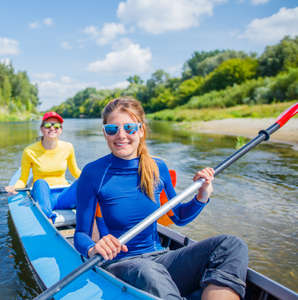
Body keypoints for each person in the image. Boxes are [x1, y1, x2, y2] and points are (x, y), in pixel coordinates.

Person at [74, 97, 248, 300]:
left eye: (129, 128)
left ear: (141, 130)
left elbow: (179, 217)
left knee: (231, 245)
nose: (121, 135)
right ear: (105, 133)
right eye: (112, 129)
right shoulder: (93, 172)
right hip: (121, 264)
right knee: (148, 272)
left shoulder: (158, 167)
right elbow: (80, 235)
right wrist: (93, 247)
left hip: (161, 259)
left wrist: (202, 196)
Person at [6, 111, 81, 223]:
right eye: (47, 125)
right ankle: (48, 220)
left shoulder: (68, 147)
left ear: (60, 130)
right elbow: (23, 179)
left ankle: (93, 220)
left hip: (63, 195)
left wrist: (93, 178)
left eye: (56, 125)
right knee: (40, 182)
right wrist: (14, 187)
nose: (52, 128)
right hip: (43, 195)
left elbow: (75, 172)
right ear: (41, 129)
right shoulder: (29, 151)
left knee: (83, 183)